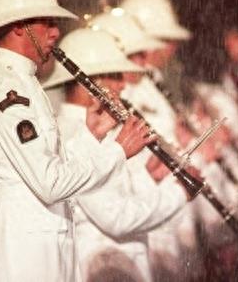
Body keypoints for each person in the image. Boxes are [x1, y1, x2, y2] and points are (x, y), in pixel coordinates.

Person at [0, 0, 152, 282]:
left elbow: (50, 167)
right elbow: (50, 184)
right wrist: (117, 151)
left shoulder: (24, 82)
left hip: (43, 243)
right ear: (19, 26)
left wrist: (90, 136)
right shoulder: (6, 89)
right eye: (47, 23)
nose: (55, 32)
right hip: (20, 250)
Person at [43, 28, 189, 282]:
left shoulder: (96, 129)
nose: (123, 85)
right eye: (113, 76)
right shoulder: (71, 135)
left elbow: (118, 199)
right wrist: (179, 194)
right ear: (85, 82)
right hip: (103, 268)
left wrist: (147, 178)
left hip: (125, 264)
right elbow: (116, 218)